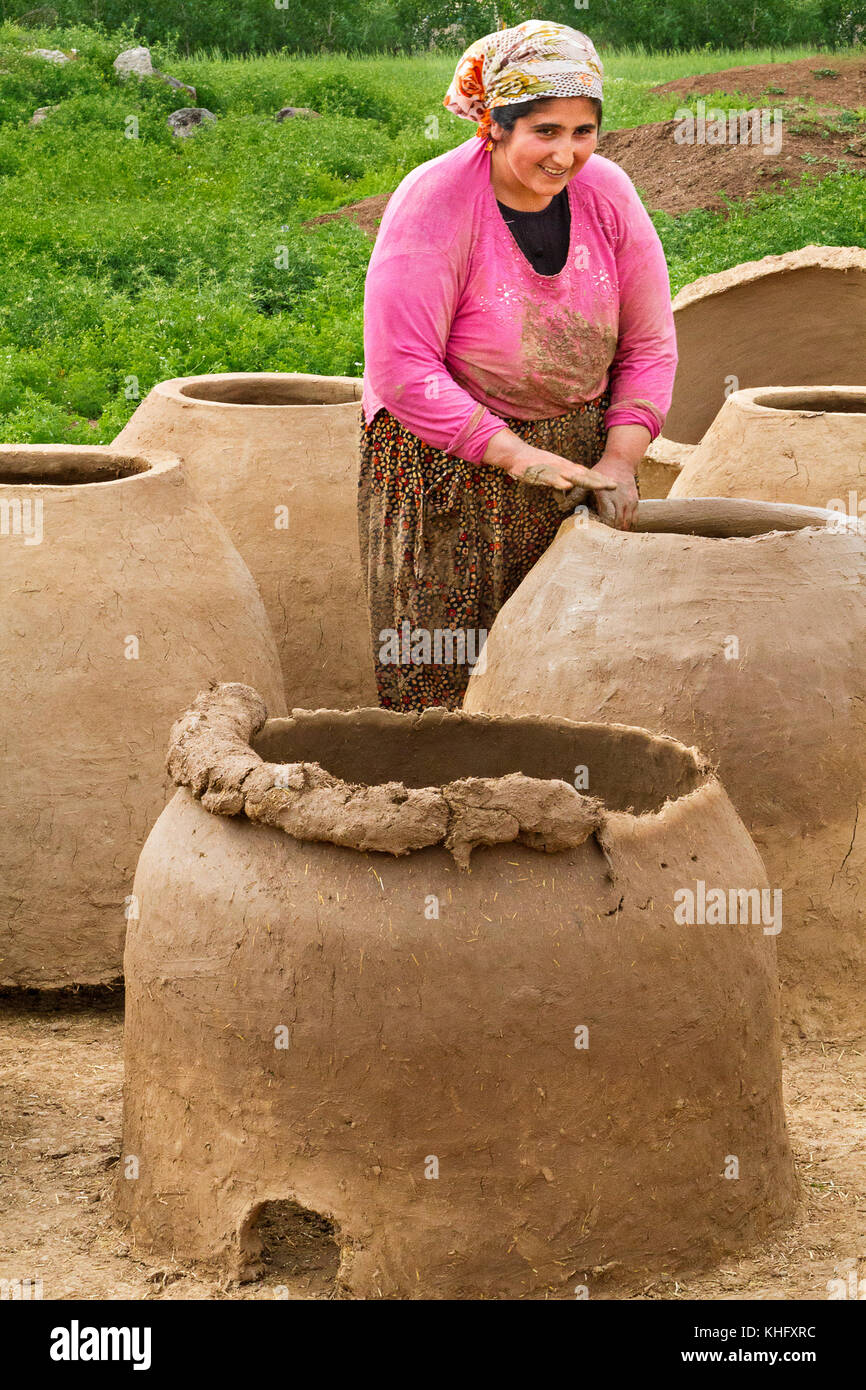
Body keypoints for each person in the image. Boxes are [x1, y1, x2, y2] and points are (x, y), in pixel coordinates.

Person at [359, 19, 677, 711]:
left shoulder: (609, 195)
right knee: (446, 672)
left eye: (582, 132)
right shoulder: (434, 200)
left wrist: (621, 460)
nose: (566, 155)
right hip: (445, 467)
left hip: (578, 458)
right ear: (494, 126)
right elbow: (402, 366)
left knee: (561, 679)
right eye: (545, 131)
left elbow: (649, 345)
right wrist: (512, 455)